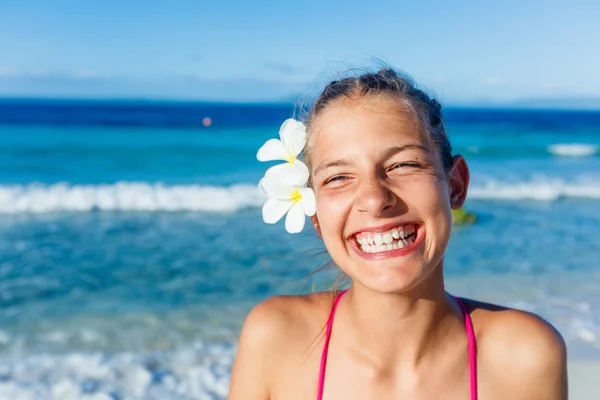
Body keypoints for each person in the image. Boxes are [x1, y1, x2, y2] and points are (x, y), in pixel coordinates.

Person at [228, 68, 567, 399]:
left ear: (455, 185)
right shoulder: (274, 339)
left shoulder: (525, 356)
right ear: (315, 214)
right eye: (338, 177)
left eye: (403, 165)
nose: (375, 199)